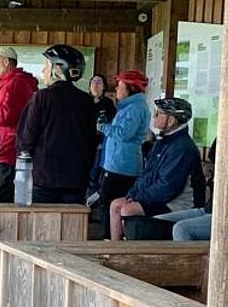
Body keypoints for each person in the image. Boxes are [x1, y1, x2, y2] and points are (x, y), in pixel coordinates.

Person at [109, 97, 206, 241]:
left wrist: (138, 199)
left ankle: (128, 254)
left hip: (179, 203)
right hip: (162, 198)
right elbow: (146, 175)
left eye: (159, 113)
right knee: (116, 205)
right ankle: (115, 250)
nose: (154, 116)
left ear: (171, 121)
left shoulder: (182, 147)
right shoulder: (163, 142)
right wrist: (133, 194)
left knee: (126, 210)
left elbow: (168, 187)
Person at [16, 44, 98, 204]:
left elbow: (26, 140)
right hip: (76, 180)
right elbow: (91, 141)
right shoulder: (87, 101)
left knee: (42, 227)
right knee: (72, 227)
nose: (43, 71)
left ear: (57, 70)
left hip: (44, 180)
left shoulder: (42, 97)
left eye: (46, 66)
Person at [0, 46, 38, 203]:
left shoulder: (15, 84)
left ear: (6, 62)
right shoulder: (11, 82)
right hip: (7, 149)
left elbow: (2, 117)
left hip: (8, 152)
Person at [96, 70, 150, 218]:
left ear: (130, 88)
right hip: (119, 164)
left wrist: (102, 127)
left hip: (121, 167)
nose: (116, 89)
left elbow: (124, 134)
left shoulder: (135, 108)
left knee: (109, 206)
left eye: (120, 85)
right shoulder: (130, 107)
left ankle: (109, 238)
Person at [85, 74, 115, 204]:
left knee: (94, 174)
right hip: (84, 144)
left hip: (100, 145)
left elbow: (113, 123)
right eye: (93, 82)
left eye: (99, 82)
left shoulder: (108, 103)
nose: (96, 84)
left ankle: (92, 204)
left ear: (104, 87)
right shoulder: (84, 100)